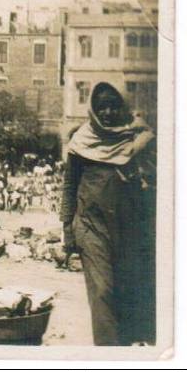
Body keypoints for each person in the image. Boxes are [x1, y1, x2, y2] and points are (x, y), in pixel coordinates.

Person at [61, 82, 156, 346]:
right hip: (92, 227)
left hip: (129, 227)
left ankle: (125, 347)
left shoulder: (136, 137)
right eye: (101, 106)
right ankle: (107, 354)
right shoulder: (82, 141)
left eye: (113, 105)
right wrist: (67, 229)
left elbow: (156, 178)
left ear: (122, 106)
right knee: (102, 290)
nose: (108, 112)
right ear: (93, 108)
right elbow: (69, 186)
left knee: (127, 288)